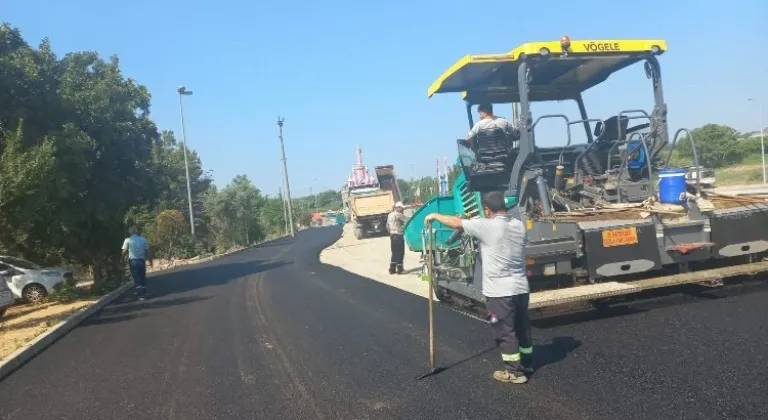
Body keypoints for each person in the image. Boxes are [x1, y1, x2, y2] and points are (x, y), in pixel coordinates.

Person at [424, 191, 533, 384]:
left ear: (487, 210)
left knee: (504, 330)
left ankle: (514, 372)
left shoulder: (487, 226)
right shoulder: (519, 225)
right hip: (521, 288)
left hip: (500, 291)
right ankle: (527, 363)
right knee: (521, 327)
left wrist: (434, 215)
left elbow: (456, 222)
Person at [122, 226, 152, 300]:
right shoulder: (143, 239)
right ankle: (144, 291)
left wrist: (122, 257)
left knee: (136, 277)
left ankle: (141, 295)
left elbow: (124, 251)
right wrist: (150, 261)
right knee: (142, 276)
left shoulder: (128, 240)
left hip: (133, 261)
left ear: (130, 232)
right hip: (141, 260)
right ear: (136, 231)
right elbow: (148, 250)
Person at [387, 202, 408, 274]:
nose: (403, 209)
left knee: (394, 252)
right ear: (397, 208)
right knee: (400, 252)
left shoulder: (390, 214)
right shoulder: (398, 214)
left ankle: (392, 269)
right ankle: (400, 269)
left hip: (392, 235)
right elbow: (407, 220)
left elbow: (387, 226)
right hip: (398, 235)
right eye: (402, 208)